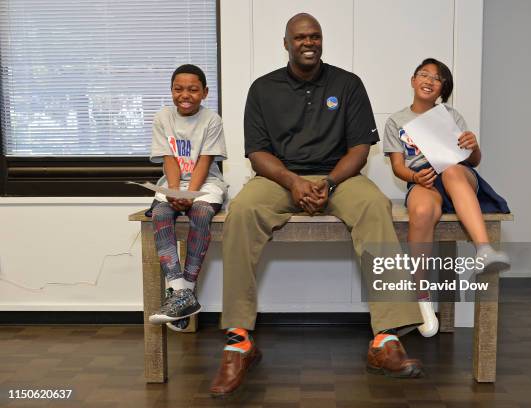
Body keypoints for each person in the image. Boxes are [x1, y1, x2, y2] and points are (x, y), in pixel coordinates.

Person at [209, 13, 425, 398]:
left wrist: (326, 182)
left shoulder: (348, 84)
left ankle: (385, 340)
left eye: (315, 37)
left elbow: (360, 148)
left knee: (375, 206)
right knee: (242, 212)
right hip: (279, 177)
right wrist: (293, 182)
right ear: (286, 43)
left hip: (338, 176)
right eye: (300, 37)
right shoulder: (263, 88)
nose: (308, 43)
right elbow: (257, 153)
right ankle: (239, 340)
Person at [383, 58, 510, 313]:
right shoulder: (397, 121)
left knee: (451, 170)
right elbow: (398, 167)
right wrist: (415, 178)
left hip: (458, 173)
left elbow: (473, 160)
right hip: (423, 177)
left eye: (437, 78)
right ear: (413, 80)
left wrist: (473, 145)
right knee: (420, 211)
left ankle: (483, 250)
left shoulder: (450, 116)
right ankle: (421, 297)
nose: (429, 80)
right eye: (423, 74)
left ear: (443, 88)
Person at [147, 64, 228, 332]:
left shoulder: (211, 120)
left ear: (204, 92)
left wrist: (190, 194)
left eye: (193, 89)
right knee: (159, 214)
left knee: (202, 213)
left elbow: (205, 162)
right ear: (171, 91)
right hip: (172, 183)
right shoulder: (162, 118)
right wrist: (174, 192)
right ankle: (178, 287)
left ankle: (187, 289)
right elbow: (168, 160)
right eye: (178, 89)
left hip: (205, 183)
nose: (185, 94)